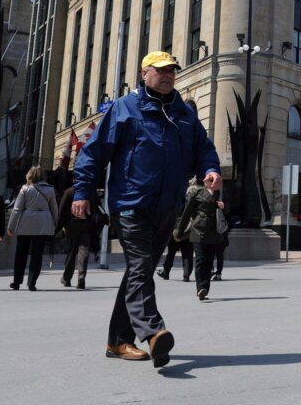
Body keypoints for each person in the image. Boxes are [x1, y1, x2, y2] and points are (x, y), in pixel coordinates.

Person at [73, 51, 221, 368]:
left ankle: (117, 341)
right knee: (141, 268)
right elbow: (93, 152)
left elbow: (204, 148)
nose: (168, 75)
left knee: (138, 273)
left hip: (168, 207)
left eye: (172, 71)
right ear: (145, 74)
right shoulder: (125, 109)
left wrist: (210, 169)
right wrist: (83, 191)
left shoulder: (184, 115)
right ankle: (154, 332)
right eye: (161, 70)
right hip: (130, 205)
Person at [7, 166, 59, 291]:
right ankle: (32, 282)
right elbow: (54, 209)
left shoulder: (25, 189)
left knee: (21, 253)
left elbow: (17, 209)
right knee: (37, 254)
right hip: (43, 222)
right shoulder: (50, 189)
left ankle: (17, 281)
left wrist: (11, 226)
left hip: (26, 221)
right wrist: (54, 224)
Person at [172, 178, 225, 301]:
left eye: (213, 180)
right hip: (198, 230)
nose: (211, 182)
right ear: (205, 181)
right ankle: (200, 287)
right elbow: (186, 213)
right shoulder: (197, 193)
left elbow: (227, 212)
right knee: (200, 259)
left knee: (209, 261)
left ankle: (205, 287)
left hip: (214, 231)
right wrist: (179, 232)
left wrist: (223, 206)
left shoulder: (221, 193)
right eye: (209, 180)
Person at [58, 184, 93, 289]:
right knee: (84, 251)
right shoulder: (90, 191)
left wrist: (63, 225)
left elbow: (61, 210)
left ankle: (67, 278)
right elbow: (97, 207)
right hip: (86, 225)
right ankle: (81, 277)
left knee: (71, 252)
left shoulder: (69, 191)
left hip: (71, 225)